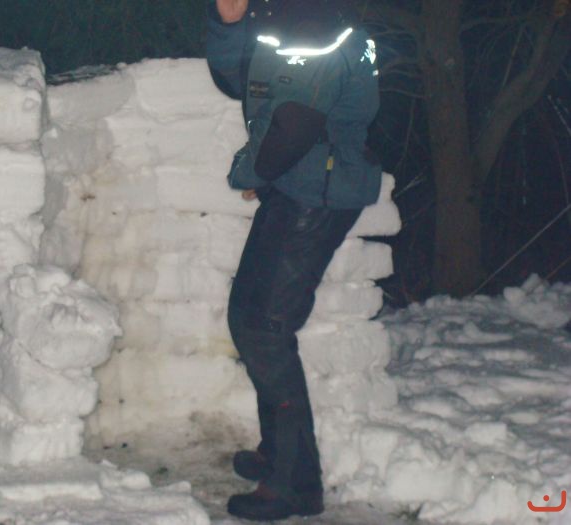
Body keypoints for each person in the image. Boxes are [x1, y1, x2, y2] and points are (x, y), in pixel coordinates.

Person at [206, 0, 381, 520]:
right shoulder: (283, 13)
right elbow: (242, 81)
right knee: (253, 319)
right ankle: (280, 453)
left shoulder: (317, 20)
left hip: (317, 191)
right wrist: (229, 25)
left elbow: (293, 122)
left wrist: (251, 172)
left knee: (264, 329)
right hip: (297, 182)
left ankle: (296, 484)